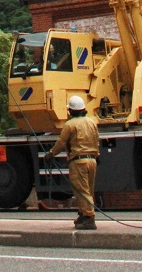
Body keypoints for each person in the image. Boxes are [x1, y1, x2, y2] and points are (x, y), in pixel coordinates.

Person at [48, 94, 99, 230]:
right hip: (92, 160)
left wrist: (51, 153)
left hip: (78, 161)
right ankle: (83, 214)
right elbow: (96, 140)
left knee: (81, 190)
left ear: (71, 111)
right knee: (88, 190)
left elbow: (61, 143)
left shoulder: (69, 125)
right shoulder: (92, 122)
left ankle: (89, 218)